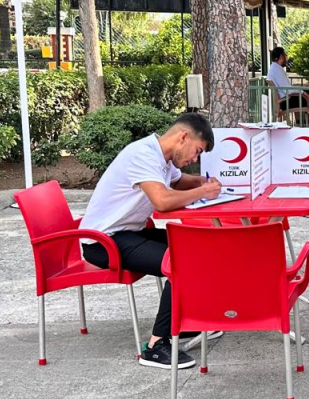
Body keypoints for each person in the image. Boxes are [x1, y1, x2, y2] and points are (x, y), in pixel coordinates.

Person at [79, 113, 223, 370]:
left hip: (128, 232)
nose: (195, 159)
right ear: (183, 137)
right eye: (197, 151)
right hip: (103, 242)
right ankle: (156, 346)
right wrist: (202, 192)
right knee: (183, 262)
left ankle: (186, 324)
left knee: (200, 246)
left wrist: (202, 182)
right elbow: (163, 201)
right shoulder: (143, 155)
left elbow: (178, 182)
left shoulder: (163, 157)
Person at [266, 47, 309, 112]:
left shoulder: (274, 68)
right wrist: (303, 93)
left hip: (284, 99)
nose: (286, 58)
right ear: (281, 56)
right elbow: (288, 90)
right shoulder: (277, 70)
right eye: (285, 55)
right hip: (286, 101)